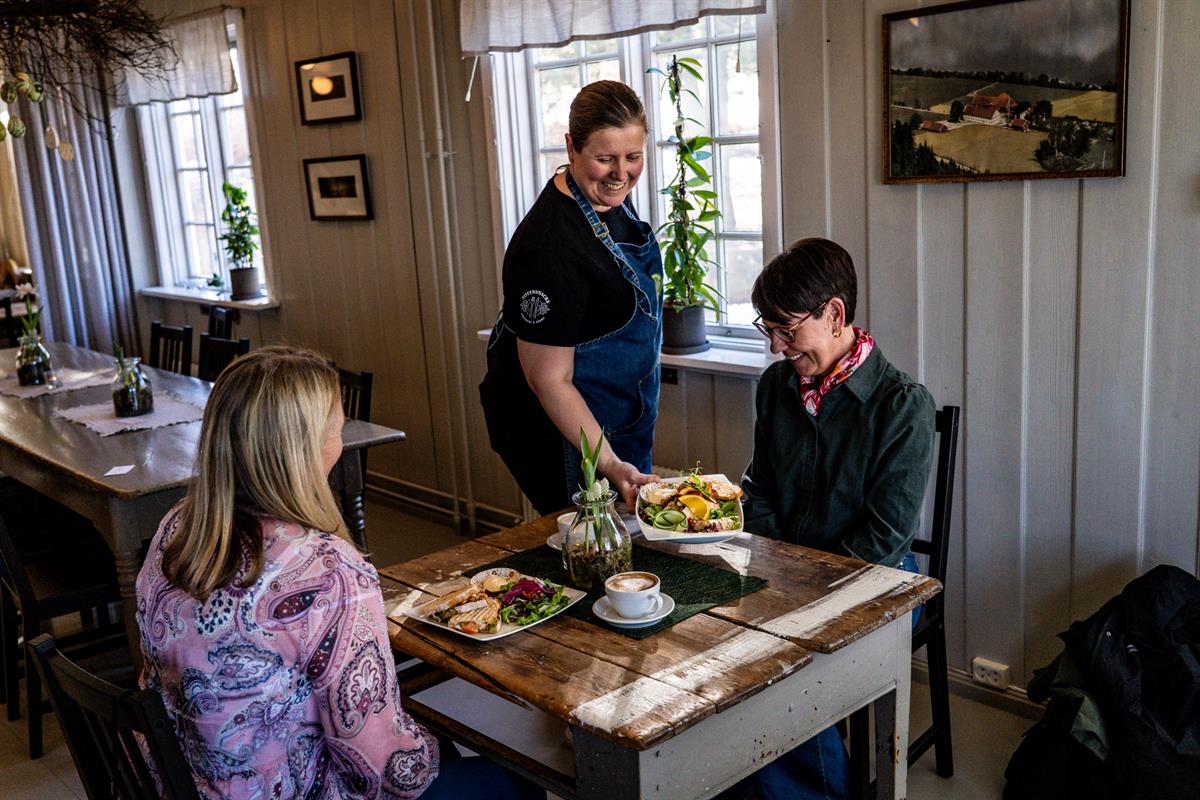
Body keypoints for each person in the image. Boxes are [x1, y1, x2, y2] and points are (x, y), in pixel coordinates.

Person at [136, 346, 540, 799]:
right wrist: (425, 743)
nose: (341, 442)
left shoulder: (177, 526)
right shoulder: (326, 571)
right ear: (302, 450)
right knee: (518, 783)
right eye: (336, 428)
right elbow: (377, 767)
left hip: (185, 780)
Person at [740, 238, 935, 800]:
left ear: (834, 314)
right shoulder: (777, 387)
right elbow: (761, 490)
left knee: (779, 668)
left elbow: (882, 537)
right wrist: (776, 569)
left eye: (786, 329)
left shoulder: (902, 405)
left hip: (879, 583)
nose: (776, 346)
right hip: (787, 572)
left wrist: (797, 592)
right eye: (767, 329)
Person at [480, 80, 662, 515]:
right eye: (605, 159)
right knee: (590, 560)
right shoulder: (547, 248)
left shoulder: (610, 201)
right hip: (562, 434)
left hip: (620, 417)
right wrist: (611, 463)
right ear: (571, 147)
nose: (622, 173)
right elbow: (549, 380)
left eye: (633, 157)